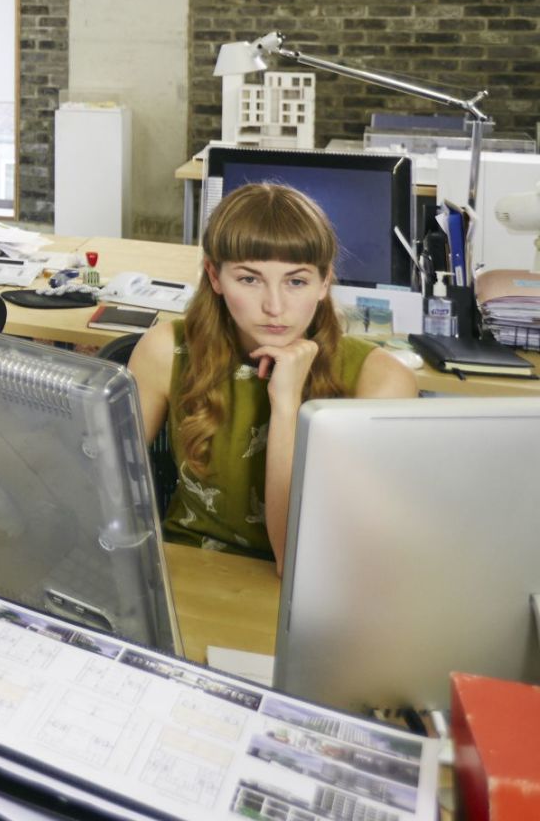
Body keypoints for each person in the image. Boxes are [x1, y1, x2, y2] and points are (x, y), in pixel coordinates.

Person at [130, 183, 414, 570]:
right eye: (249, 279)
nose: (274, 307)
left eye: (296, 281)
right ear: (215, 277)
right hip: (185, 574)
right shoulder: (167, 349)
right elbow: (97, 486)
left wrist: (286, 404)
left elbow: (296, 561)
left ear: (324, 282)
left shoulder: (381, 383)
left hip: (308, 591)